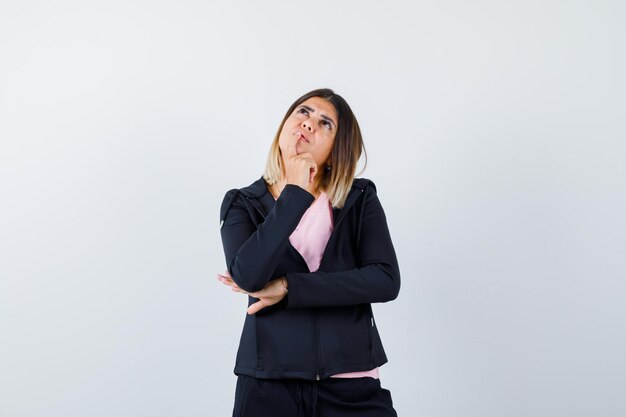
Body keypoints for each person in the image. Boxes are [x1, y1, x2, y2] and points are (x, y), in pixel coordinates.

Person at [217, 88, 401, 417]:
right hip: (267, 386)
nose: (309, 123)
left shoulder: (359, 199)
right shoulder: (241, 203)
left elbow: (384, 280)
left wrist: (290, 288)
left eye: (325, 123)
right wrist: (294, 194)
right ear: (285, 124)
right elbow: (248, 275)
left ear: (335, 149)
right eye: (303, 112)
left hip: (351, 385)